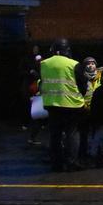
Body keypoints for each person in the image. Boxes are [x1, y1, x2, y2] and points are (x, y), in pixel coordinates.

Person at [39, 39, 89, 171]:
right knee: (72, 133)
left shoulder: (44, 63)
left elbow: (42, 82)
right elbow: (83, 85)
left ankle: (56, 163)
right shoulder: (74, 64)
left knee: (55, 135)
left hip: (52, 104)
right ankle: (72, 162)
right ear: (67, 50)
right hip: (72, 105)